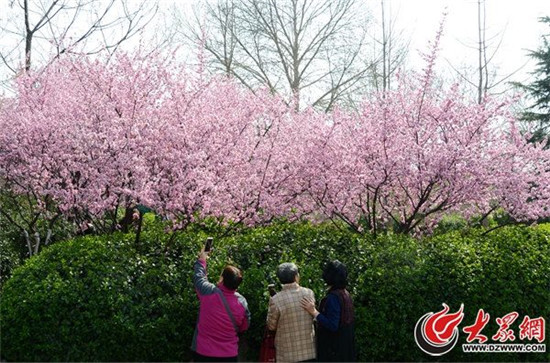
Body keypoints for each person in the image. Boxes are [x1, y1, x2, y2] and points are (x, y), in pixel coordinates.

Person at [191, 246, 251, 362]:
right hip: (229, 354)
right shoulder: (242, 302)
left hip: (204, 352)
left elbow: (199, 277)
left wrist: (202, 259)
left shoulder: (208, 292)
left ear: (222, 278)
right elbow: (245, 325)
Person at [301, 260, 356, 362]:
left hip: (334, 349)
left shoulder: (333, 297)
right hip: (346, 346)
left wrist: (314, 312)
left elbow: (332, 325)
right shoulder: (345, 293)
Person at [266, 262, 316, 362]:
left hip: (287, 354)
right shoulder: (309, 293)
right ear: (296, 276)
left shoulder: (276, 299)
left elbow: (271, 326)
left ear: (280, 279)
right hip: (309, 351)